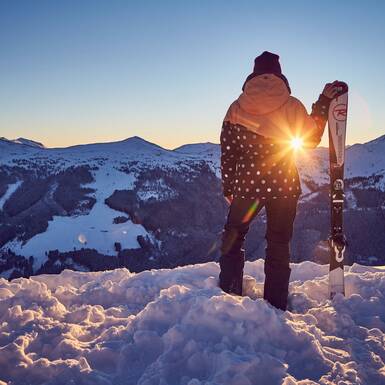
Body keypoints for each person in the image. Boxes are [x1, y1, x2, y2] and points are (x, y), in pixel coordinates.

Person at [219, 51, 344, 310]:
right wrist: (322, 103)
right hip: (284, 185)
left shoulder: (236, 107)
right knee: (278, 243)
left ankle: (229, 298)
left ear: (253, 74)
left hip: (246, 186)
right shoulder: (291, 105)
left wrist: (229, 187)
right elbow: (309, 140)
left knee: (233, 237)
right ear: (278, 73)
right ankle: (275, 306)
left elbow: (228, 151)